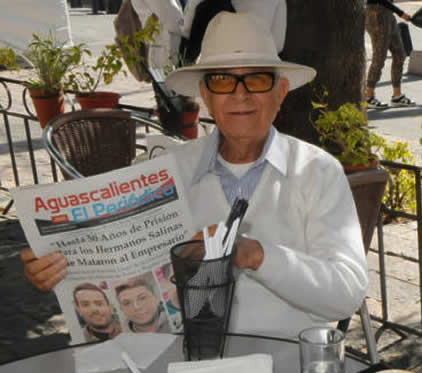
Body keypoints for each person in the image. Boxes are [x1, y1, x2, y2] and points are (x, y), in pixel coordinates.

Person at [21, 12, 368, 339]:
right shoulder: (160, 174)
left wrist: (256, 255)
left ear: (280, 93)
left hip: (289, 367)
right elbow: (111, 266)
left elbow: (346, 293)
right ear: (205, 96)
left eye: (257, 79)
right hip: (185, 367)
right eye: (222, 81)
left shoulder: (317, 171)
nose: (240, 94)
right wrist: (55, 265)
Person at [365, 0, 416, 109]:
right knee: (379, 56)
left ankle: (397, 96)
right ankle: (368, 97)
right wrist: (400, 12)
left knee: (400, 54)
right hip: (377, 12)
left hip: (388, 13)